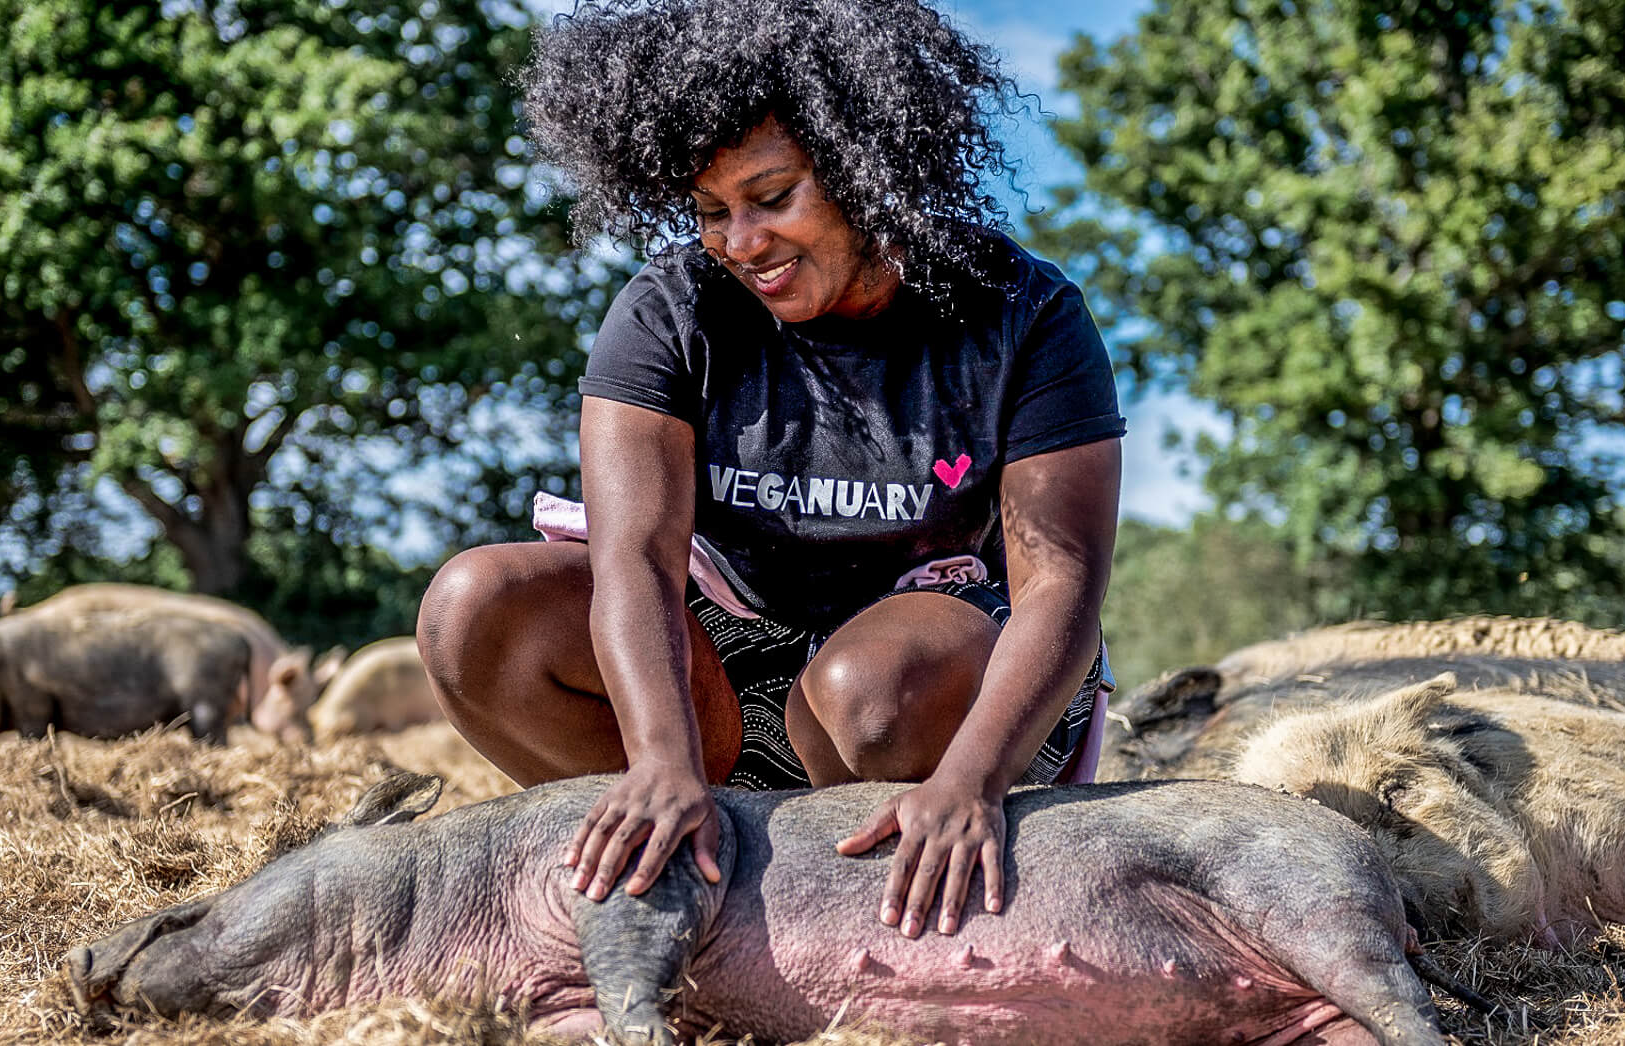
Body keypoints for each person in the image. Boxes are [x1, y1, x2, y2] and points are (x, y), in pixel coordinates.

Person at [416, 0, 1124, 941]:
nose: (742, 242)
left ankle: (892, 893)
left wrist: (971, 780)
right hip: (726, 671)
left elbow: (1060, 582)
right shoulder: (669, 312)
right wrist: (662, 758)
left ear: (867, 171)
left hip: (940, 689)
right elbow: (635, 559)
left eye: (775, 195)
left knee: (865, 693)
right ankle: (690, 857)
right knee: (471, 606)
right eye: (712, 212)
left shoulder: (1023, 315)